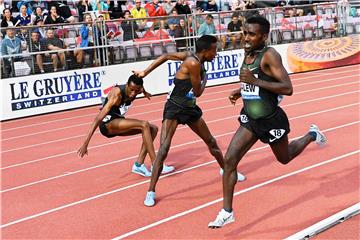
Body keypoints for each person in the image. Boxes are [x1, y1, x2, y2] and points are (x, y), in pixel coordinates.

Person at [208, 16, 327, 228]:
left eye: (251, 34)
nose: (246, 38)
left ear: (264, 36)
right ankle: (227, 212)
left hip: (272, 121)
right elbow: (257, 83)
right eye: (244, 33)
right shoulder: (248, 52)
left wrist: (253, 81)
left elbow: (287, 88)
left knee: (285, 158)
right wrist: (241, 90)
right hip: (251, 119)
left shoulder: (270, 55)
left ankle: (311, 134)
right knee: (229, 160)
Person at [132, 35, 246, 207]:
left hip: (190, 107)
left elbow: (165, 57)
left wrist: (144, 72)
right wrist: (206, 76)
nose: (216, 54)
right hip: (175, 107)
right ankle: (151, 191)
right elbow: (198, 91)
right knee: (163, 149)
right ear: (206, 51)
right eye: (214, 50)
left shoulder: (190, 56)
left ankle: (226, 170)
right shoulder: (194, 63)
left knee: (211, 142)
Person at [77, 75, 175, 177]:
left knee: (153, 129)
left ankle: (138, 165)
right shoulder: (117, 94)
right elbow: (97, 119)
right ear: (127, 85)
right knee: (144, 124)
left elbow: (141, 88)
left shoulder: (138, 89)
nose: (133, 94)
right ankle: (156, 163)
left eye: (136, 91)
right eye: (131, 90)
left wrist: (145, 93)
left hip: (119, 120)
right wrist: (85, 144)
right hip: (108, 124)